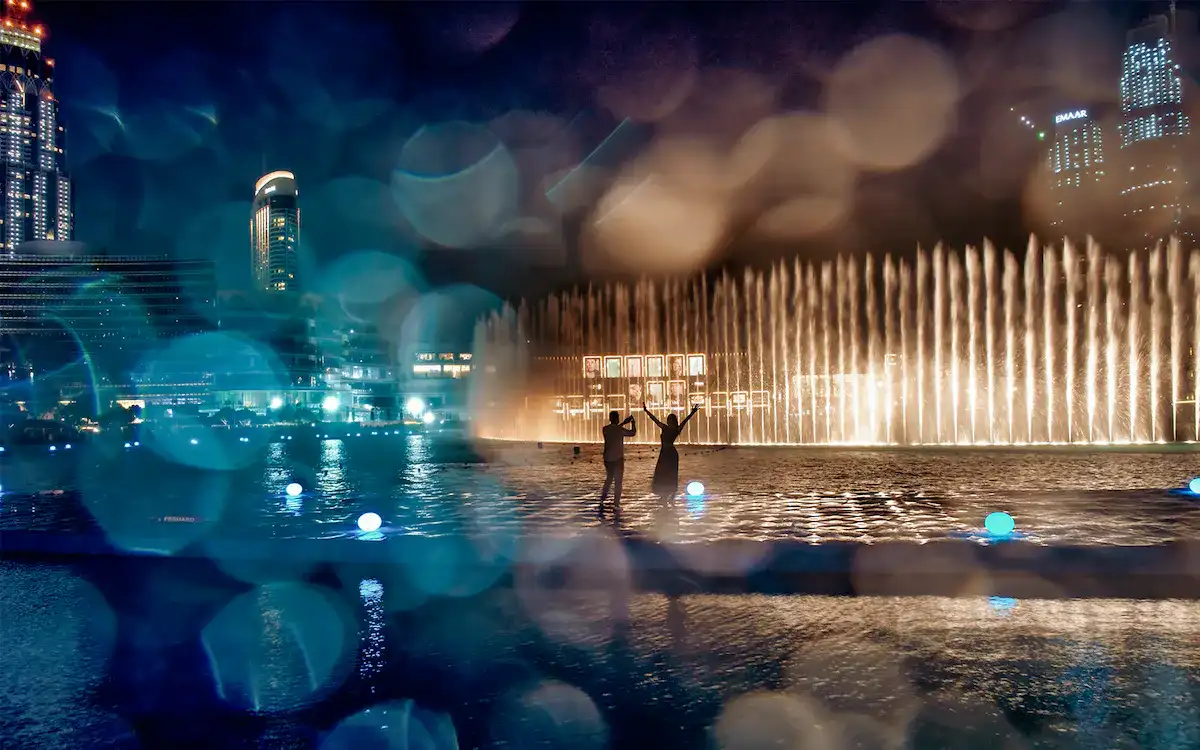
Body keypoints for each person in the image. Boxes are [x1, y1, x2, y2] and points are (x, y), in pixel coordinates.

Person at [643, 401, 700, 502]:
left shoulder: (669, 428)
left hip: (668, 453)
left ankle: (668, 495)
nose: (668, 421)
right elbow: (655, 420)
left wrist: (693, 412)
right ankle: (666, 495)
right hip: (667, 453)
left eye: (670, 419)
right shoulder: (673, 429)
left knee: (667, 474)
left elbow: (685, 420)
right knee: (666, 474)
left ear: (673, 421)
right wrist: (646, 411)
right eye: (668, 419)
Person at [600, 410, 636, 515]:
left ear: (610, 419)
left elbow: (614, 429)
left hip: (607, 459)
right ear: (617, 418)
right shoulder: (620, 430)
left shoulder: (605, 429)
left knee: (609, 479)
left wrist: (624, 423)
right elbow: (632, 433)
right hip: (618, 459)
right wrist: (633, 423)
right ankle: (616, 505)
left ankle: (602, 500)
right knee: (618, 482)